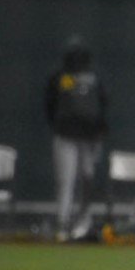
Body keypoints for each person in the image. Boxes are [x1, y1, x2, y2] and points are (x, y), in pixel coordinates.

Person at [45, 35, 108, 242]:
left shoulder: (94, 76)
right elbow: (49, 104)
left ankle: (82, 224)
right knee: (66, 181)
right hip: (66, 136)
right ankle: (62, 225)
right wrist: (59, 124)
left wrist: (99, 132)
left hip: (88, 138)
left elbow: (104, 104)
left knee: (87, 180)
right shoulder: (59, 77)